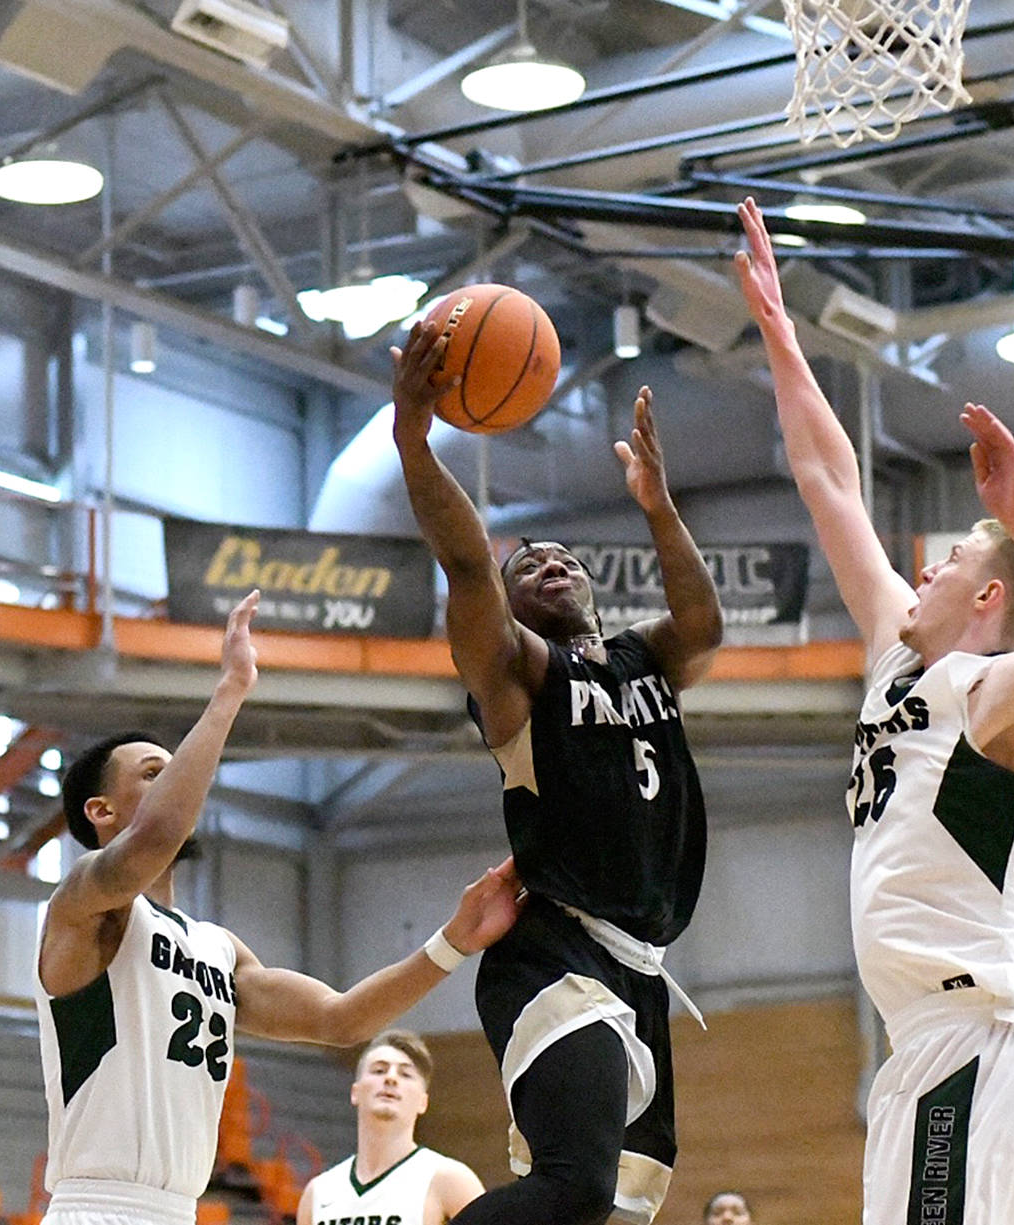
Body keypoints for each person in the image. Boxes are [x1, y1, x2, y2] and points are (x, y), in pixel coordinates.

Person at [734, 196, 1014, 1225]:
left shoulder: (1005, 688)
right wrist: (778, 336)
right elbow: (825, 474)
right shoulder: (895, 650)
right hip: (926, 1046)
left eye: (956, 558)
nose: (922, 564)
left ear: (987, 599)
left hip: (982, 1039)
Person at [37, 590, 523, 1225]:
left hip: (179, 1209)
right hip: (96, 1208)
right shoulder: (81, 904)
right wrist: (232, 689)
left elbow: (341, 1020)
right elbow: (151, 840)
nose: (183, 779)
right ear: (101, 813)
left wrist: (453, 941)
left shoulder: (218, 948)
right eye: (158, 772)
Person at [390, 322, 724, 1225]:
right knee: (573, 1184)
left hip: (643, 968)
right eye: (526, 565)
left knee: (613, 1215)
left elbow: (703, 627)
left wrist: (659, 506)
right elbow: (467, 562)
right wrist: (414, 440)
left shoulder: (644, 657)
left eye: (563, 556)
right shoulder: (523, 680)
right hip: (556, 954)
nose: (551, 562)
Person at [297, 1029, 483, 1225]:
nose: (391, 1078)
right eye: (379, 1070)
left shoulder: (449, 1180)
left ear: (423, 1102)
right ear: (355, 1092)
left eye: (405, 1074)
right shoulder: (317, 1193)